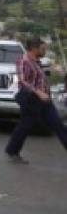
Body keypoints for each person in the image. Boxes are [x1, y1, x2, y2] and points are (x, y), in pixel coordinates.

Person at [5, 35, 67, 163]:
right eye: (42, 49)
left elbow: (38, 78)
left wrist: (54, 71)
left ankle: (12, 151)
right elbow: (23, 81)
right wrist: (39, 92)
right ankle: (12, 151)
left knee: (58, 125)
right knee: (25, 126)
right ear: (34, 48)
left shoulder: (36, 62)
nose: (44, 51)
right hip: (30, 99)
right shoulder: (23, 61)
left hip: (45, 100)